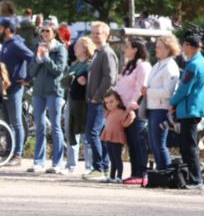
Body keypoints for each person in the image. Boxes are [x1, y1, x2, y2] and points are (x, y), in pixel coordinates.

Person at [169, 34, 204, 189]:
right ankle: (191, 178)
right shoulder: (201, 62)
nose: (183, 48)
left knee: (189, 147)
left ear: (189, 46)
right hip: (193, 109)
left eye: (184, 45)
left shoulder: (193, 65)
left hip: (190, 110)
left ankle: (195, 179)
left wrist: (172, 102)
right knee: (188, 145)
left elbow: (184, 89)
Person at [27, 24, 67, 173]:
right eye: (42, 31)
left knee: (55, 126)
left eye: (47, 31)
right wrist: (38, 59)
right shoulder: (38, 47)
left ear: (54, 33)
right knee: (40, 126)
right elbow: (31, 72)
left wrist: (46, 58)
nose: (44, 33)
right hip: (38, 91)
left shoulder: (60, 49)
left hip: (54, 91)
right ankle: (39, 162)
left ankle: (57, 163)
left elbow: (58, 71)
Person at [82, 22, 118, 181]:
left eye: (98, 33)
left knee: (93, 132)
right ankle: (102, 166)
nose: (95, 36)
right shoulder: (98, 52)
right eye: (93, 33)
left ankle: (99, 168)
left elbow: (110, 78)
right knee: (98, 134)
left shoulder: (107, 53)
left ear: (106, 35)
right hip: (94, 100)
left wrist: (97, 96)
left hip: (100, 101)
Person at [114, 38, 151, 185]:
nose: (125, 49)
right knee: (131, 142)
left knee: (138, 141)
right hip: (124, 108)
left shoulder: (143, 66)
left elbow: (140, 88)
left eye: (127, 47)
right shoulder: (129, 66)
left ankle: (142, 173)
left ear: (135, 49)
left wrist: (131, 106)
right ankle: (134, 173)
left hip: (136, 110)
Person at [0, 17, 32, 166]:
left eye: (0, 27)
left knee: (16, 122)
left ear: (7, 29)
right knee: (6, 122)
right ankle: (8, 153)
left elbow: (31, 57)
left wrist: (27, 78)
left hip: (15, 87)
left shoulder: (16, 44)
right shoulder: (6, 44)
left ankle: (18, 154)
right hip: (5, 87)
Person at [145, 35, 181, 171]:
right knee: (154, 144)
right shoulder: (158, 65)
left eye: (159, 47)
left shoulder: (170, 67)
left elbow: (168, 92)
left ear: (168, 49)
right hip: (153, 108)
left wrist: (148, 91)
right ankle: (161, 172)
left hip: (162, 109)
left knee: (159, 144)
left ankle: (166, 172)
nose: (156, 49)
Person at [65, 36, 94, 174]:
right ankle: (71, 165)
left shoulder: (90, 64)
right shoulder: (74, 65)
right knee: (71, 133)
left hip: (84, 103)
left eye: (78, 46)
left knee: (85, 136)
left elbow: (89, 82)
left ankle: (89, 166)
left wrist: (83, 80)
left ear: (85, 48)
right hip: (71, 101)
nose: (75, 48)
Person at [100, 90, 132, 183]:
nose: (109, 104)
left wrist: (131, 114)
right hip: (108, 137)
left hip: (117, 138)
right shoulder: (109, 112)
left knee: (117, 158)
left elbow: (125, 123)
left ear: (118, 101)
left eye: (111, 101)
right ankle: (112, 176)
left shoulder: (121, 112)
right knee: (112, 158)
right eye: (106, 102)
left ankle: (119, 177)